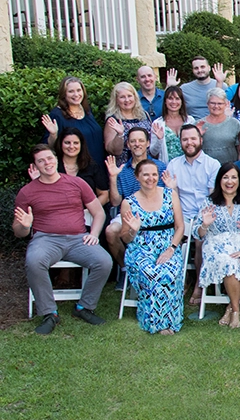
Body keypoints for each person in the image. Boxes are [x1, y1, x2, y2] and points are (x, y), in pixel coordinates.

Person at [14, 144, 113, 335]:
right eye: (41, 161)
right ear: (35, 166)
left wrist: (93, 234)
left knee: (104, 261)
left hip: (78, 238)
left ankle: (84, 307)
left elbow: (98, 213)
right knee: (34, 261)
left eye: (49, 158)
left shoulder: (76, 183)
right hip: (46, 239)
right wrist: (25, 225)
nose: (47, 163)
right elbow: (19, 232)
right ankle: (49, 313)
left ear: (56, 159)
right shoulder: (27, 192)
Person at [118, 160, 185, 334]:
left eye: (154, 174)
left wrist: (171, 249)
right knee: (153, 274)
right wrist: (133, 230)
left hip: (168, 246)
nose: (151, 178)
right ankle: (157, 323)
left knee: (168, 272)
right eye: (146, 174)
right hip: (140, 249)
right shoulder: (128, 203)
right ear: (137, 177)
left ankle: (171, 321)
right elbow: (125, 238)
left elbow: (180, 227)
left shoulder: (170, 195)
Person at [194, 163, 240, 329]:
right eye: (225, 177)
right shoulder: (209, 202)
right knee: (229, 263)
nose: (229, 181)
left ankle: (230, 307)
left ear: (239, 180)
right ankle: (236, 312)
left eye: (233, 177)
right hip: (216, 246)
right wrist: (205, 225)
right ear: (219, 180)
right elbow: (197, 233)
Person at [104, 128, 167, 261]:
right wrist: (113, 177)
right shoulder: (122, 169)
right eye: (133, 141)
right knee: (111, 231)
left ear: (148, 143)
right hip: (128, 214)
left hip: (154, 214)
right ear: (128, 145)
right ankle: (125, 269)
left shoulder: (159, 167)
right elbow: (115, 202)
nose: (137, 144)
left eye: (141, 140)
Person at [41, 76, 105, 167]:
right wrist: (53, 134)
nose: (76, 94)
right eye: (71, 91)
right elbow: (49, 147)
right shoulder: (57, 115)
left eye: (79, 90)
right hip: (77, 168)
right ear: (64, 94)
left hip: (97, 165)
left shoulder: (87, 110)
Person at [166, 124, 220, 220]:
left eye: (193, 138)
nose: (189, 142)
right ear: (180, 142)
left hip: (208, 216)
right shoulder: (173, 165)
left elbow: (213, 197)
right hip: (182, 218)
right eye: (185, 139)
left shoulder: (213, 165)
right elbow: (173, 199)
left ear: (201, 140)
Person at [54, 128, 108, 205]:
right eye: (67, 143)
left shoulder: (92, 166)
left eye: (76, 143)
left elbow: (104, 194)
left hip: (89, 213)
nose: (71, 146)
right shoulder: (53, 166)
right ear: (60, 144)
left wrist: (91, 210)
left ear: (81, 145)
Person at [103, 82, 152, 167]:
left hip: (146, 165)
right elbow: (113, 151)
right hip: (124, 167)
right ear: (116, 100)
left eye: (129, 96)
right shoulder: (113, 120)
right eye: (122, 97)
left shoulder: (144, 115)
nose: (127, 100)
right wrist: (120, 135)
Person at [150, 85, 193, 163]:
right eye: (170, 98)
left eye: (177, 98)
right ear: (165, 102)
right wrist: (159, 140)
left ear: (181, 101)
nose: (174, 102)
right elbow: (153, 152)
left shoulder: (190, 121)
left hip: (188, 166)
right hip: (167, 168)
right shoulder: (157, 124)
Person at [199, 88, 240, 165]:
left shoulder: (235, 124)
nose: (216, 106)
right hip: (206, 169)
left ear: (226, 104)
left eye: (220, 103)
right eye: (213, 103)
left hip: (229, 170)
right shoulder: (199, 124)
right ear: (207, 104)